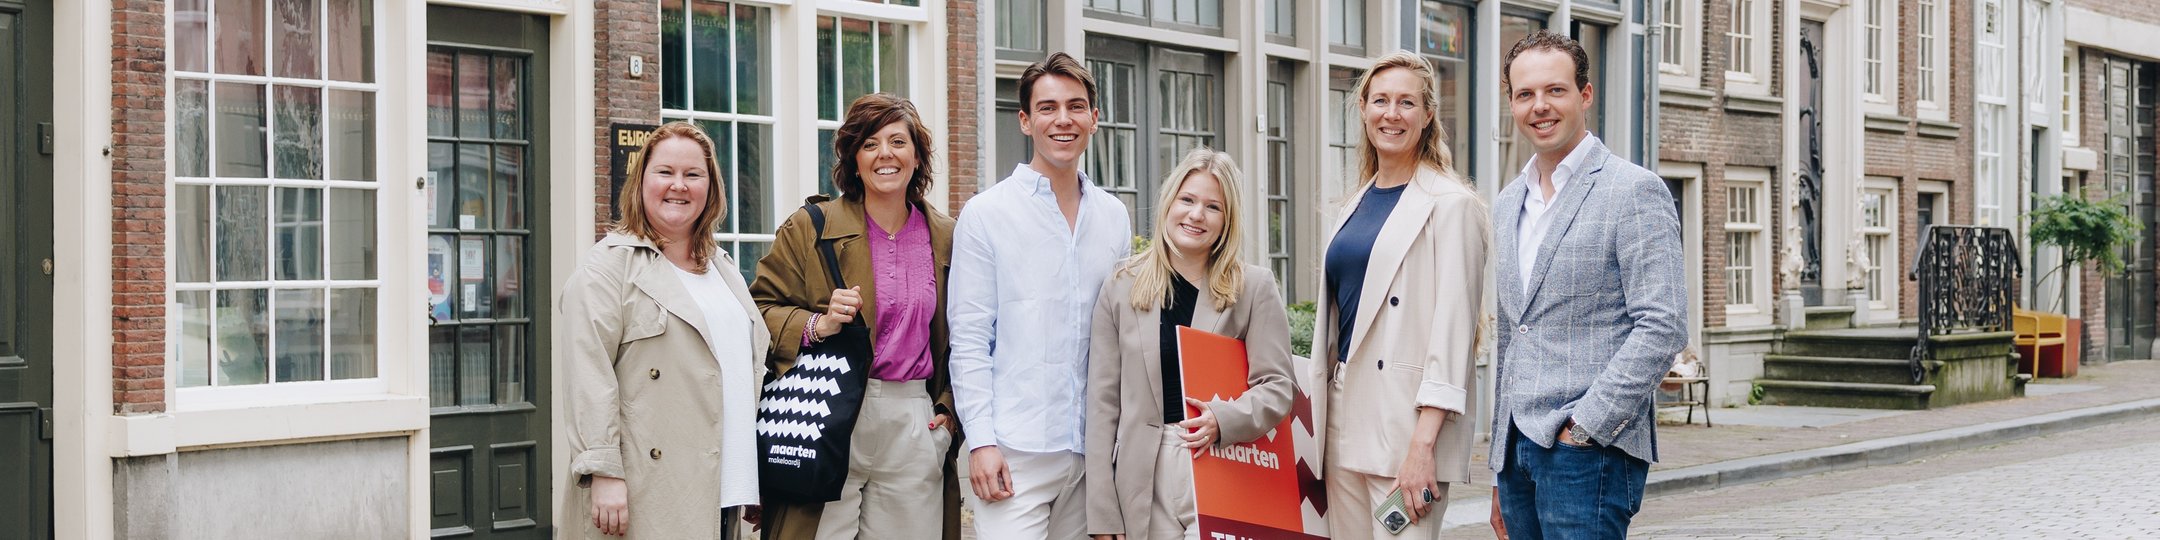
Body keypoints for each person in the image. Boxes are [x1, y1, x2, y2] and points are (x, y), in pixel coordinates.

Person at [1486, 30, 1688, 539]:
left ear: (1585, 95)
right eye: (1525, 94)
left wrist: (1588, 427)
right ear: (1510, 102)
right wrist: (1498, 464)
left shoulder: (1633, 190)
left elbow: (1663, 324)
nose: (1540, 107)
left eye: (1555, 90)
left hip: (1588, 452)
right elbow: (1514, 335)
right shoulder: (1509, 201)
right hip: (1517, 454)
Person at [749, 93, 966, 540]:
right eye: (869, 143)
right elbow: (758, 311)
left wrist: (947, 409)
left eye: (897, 141)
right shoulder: (809, 227)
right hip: (827, 411)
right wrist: (818, 324)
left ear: (918, 154)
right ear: (853, 157)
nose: (885, 154)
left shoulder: (949, 237)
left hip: (913, 419)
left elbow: (973, 332)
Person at [948, 51, 1133, 539]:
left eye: (1075, 106)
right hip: (1014, 453)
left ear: (1095, 118)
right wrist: (981, 442)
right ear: (1026, 121)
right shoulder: (986, 215)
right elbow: (968, 339)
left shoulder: (1114, 218)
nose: (1063, 120)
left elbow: (1117, 338)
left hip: (1091, 453)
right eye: (1047, 108)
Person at [1307, 50, 1490, 540]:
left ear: (1428, 115)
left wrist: (1423, 446)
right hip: (1341, 414)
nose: (1392, 114)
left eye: (1407, 103)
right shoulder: (1354, 204)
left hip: (1405, 423)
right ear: (1363, 108)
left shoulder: (1452, 206)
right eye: (1381, 100)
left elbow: (1453, 339)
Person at [560, 121, 773, 539]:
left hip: (726, 487)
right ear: (641, 182)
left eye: (693, 175)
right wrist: (603, 470)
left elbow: (740, 372)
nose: (679, 185)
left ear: (711, 188)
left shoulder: (722, 268)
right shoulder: (607, 268)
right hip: (646, 487)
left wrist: (753, 476)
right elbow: (588, 374)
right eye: (665, 172)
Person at [1084, 149, 1295, 540]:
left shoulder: (1253, 288)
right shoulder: (1122, 285)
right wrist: (1102, 512)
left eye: (1212, 206)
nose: (1196, 215)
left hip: (1225, 463)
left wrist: (1224, 419)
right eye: (1188, 200)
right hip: (1141, 476)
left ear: (1226, 220)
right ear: (1169, 203)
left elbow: (1279, 387)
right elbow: (1101, 406)